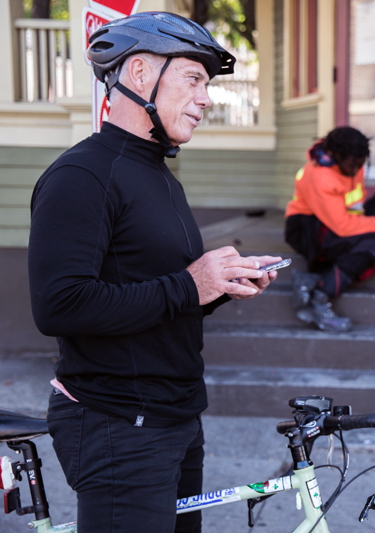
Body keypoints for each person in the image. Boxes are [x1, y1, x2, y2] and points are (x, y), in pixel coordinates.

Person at [27, 12, 280, 533]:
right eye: (194, 79)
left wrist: (219, 287)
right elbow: (60, 305)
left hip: (175, 418)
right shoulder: (82, 176)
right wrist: (193, 283)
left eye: (206, 84)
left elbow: (155, 292)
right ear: (140, 73)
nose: (206, 98)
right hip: (118, 424)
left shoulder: (160, 175)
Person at [284, 126, 375, 332]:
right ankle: (319, 298)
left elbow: (351, 211)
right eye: (351, 164)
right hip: (306, 228)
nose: (356, 170)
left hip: (336, 224)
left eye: (361, 163)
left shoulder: (352, 161)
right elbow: (342, 225)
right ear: (335, 155)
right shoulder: (321, 175)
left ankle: (311, 280)